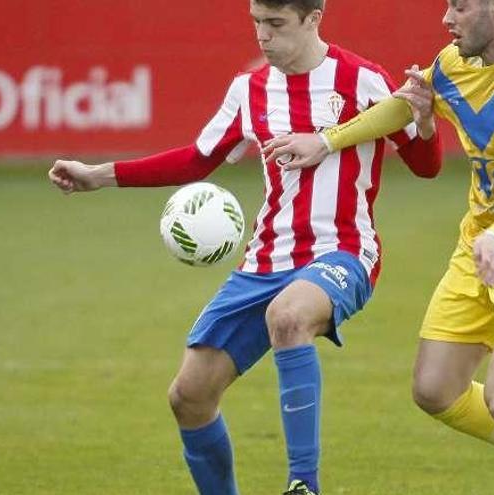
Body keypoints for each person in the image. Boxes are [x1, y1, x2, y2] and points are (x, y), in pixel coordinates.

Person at [47, 1, 442, 494]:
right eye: (257, 23)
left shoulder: (363, 79)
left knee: (289, 317)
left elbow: (426, 166)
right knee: (188, 397)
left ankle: (304, 485)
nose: (263, 36)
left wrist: (424, 123)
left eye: (276, 24)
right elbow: (195, 161)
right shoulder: (249, 90)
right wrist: (98, 176)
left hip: (341, 251)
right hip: (263, 261)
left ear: (313, 18)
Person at [263, 0, 494, 494]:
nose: (446, 18)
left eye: (460, 7)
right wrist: (327, 141)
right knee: (434, 390)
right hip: (478, 244)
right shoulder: (453, 62)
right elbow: (403, 105)